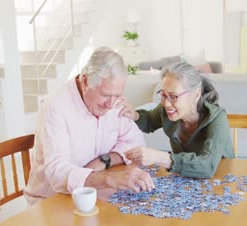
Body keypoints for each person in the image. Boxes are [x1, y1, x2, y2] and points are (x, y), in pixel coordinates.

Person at [24, 47, 154, 206]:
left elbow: (136, 143)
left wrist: (104, 161)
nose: (112, 104)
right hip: (54, 201)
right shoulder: (54, 107)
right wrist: (109, 179)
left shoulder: (113, 98)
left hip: (98, 194)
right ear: (85, 81)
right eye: (106, 95)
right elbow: (58, 174)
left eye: (118, 95)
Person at [119, 62, 235, 178]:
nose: (167, 104)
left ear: (196, 95)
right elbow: (150, 121)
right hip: (185, 180)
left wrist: (159, 157)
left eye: (174, 97)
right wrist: (134, 115)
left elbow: (207, 166)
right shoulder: (165, 110)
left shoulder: (217, 118)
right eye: (163, 95)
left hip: (220, 179)